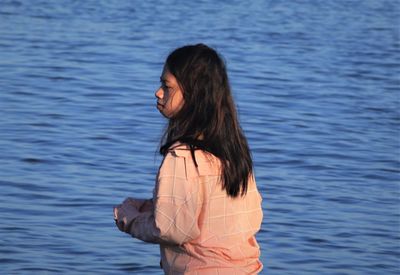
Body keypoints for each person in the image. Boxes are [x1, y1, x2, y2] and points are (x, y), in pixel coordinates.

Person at [114, 44, 263, 274]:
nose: (158, 92)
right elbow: (246, 217)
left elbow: (172, 229)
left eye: (166, 86)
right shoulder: (234, 152)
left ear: (194, 95)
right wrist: (148, 207)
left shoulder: (183, 155)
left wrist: (130, 219)